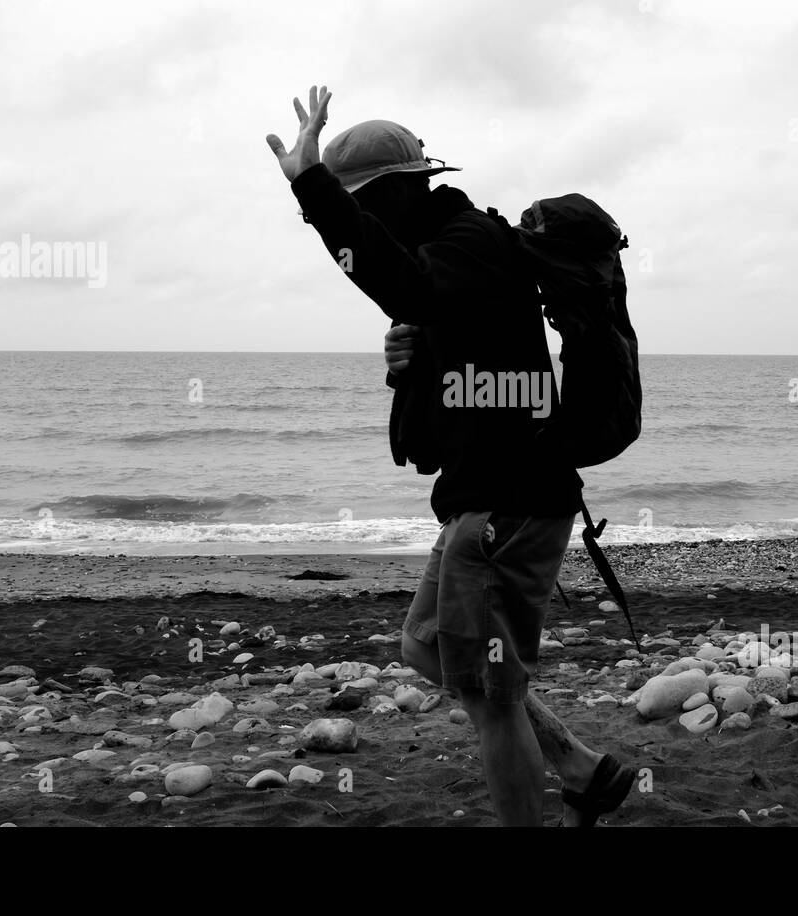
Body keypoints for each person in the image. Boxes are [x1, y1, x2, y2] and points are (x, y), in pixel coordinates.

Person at [266, 86, 634, 826]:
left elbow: (393, 276)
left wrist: (313, 188)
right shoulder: (449, 264)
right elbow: (424, 449)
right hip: (485, 501)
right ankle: (580, 767)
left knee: (493, 701)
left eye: (360, 205)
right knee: (424, 648)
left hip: (506, 510)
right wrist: (409, 368)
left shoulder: (465, 249)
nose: (359, 223)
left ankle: (564, 786)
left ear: (399, 193)